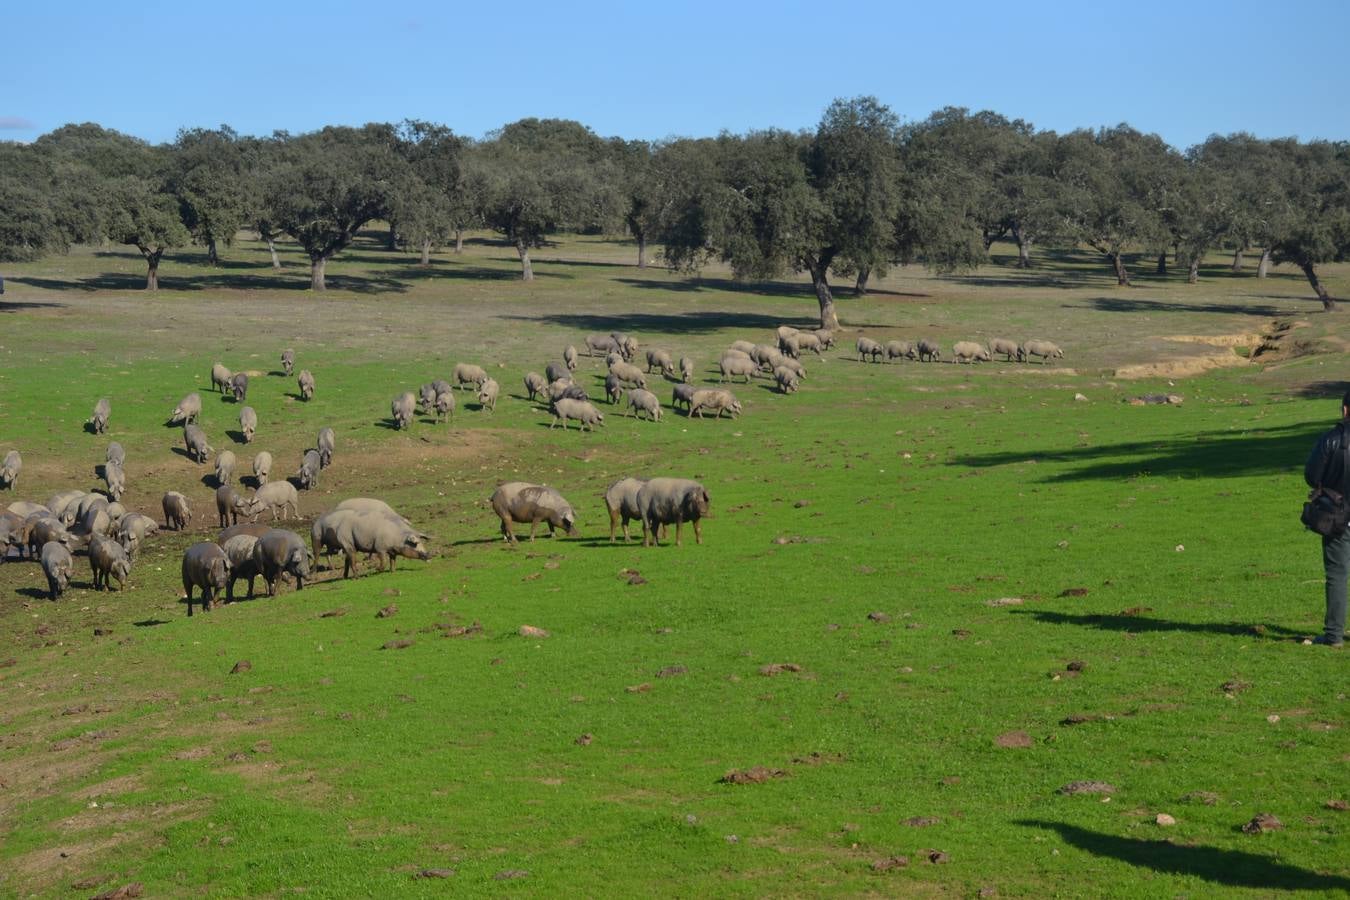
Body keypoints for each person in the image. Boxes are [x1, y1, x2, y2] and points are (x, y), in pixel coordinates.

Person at [1303, 391, 1350, 647]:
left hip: (1338, 517)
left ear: (1345, 409)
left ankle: (1334, 635)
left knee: (1337, 574)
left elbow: (1312, 475)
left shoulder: (1330, 439)